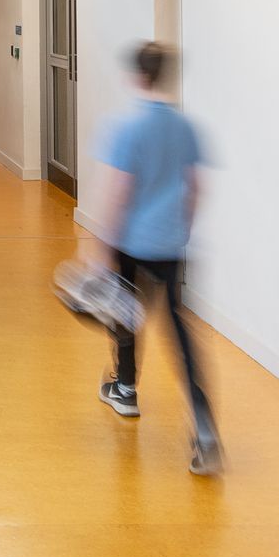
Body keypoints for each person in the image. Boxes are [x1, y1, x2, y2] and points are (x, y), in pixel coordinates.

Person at [86, 41, 222, 475]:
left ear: (137, 77)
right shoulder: (185, 127)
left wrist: (99, 248)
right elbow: (196, 187)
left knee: (125, 313)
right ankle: (204, 428)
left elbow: (118, 193)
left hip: (131, 242)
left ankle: (125, 389)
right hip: (170, 244)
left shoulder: (127, 127)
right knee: (181, 332)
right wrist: (182, 229)